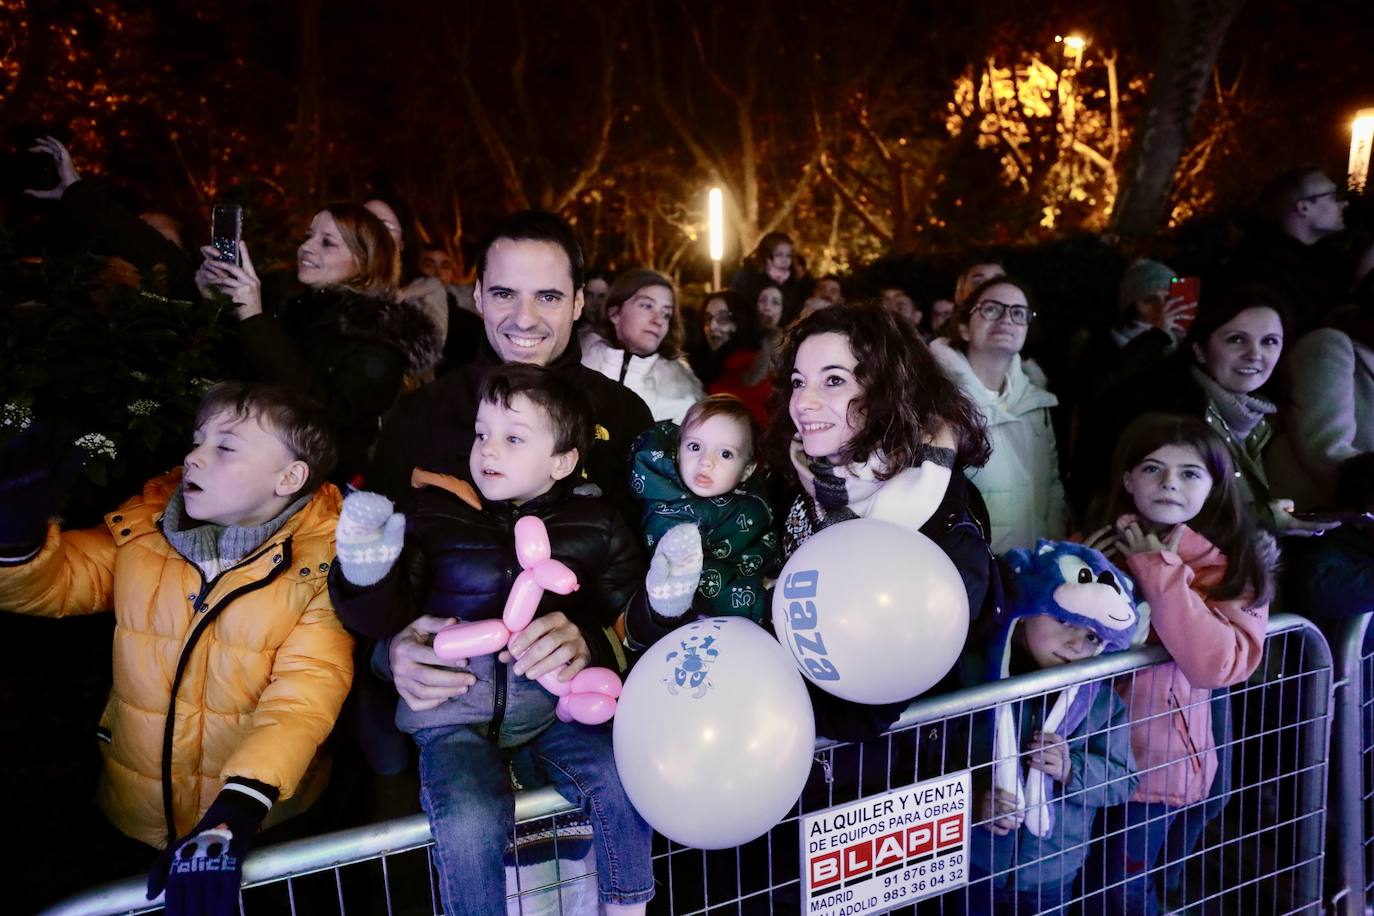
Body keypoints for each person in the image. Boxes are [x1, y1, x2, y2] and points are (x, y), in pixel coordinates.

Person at [0, 383, 353, 913]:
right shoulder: (144, 528)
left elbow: (303, 699)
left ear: (290, 477)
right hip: (133, 808)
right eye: (198, 439)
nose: (194, 455)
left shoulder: (323, 566)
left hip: (256, 823)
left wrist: (239, 807)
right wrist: (14, 539)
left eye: (225, 447)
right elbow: (58, 585)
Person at [327, 365, 653, 916]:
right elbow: (382, 618)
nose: (489, 451)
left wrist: (597, 645)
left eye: (513, 438)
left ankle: (628, 903)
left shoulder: (597, 524)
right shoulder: (433, 513)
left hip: (553, 712)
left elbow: (628, 622)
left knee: (621, 778)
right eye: (482, 434)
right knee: (470, 816)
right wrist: (366, 573)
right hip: (450, 718)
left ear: (564, 461)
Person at [365, 210, 653, 759]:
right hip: (442, 729)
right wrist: (389, 650)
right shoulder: (417, 418)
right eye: (504, 294)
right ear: (476, 296)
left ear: (576, 303)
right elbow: (363, 572)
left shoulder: (624, 415)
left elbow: (647, 580)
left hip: (581, 722)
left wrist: (596, 641)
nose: (524, 318)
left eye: (547, 296)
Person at [764, 304, 997, 738]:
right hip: (796, 764)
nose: (804, 402)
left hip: (892, 773)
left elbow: (880, 689)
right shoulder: (792, 477)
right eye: (798, 382)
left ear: (886, 390)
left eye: (834, 380)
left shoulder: (943, 510)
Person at [1081, 413, 1278, 916]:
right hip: (1083, 762)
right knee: (1077, 886)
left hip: (1156, 772)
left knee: (1121, 893)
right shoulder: (1099, 547)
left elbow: (1216, 664)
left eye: (1190, 473)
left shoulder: (1230, 566)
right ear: (1128, 479)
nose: (1169, 482)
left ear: (1214, 486)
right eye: (1152, 468)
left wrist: (1158, 571)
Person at [194, 203, 444, 485]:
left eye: (327, 243)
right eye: (308, 236)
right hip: (238, 468)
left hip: (313, 490)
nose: (308, 247)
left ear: (365, 261)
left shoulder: (380, 337)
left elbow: (323, 414)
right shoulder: (291, 306)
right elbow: (230, 377)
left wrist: (255, 318)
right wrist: (213, 303)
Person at [961, 542, 1139, 915]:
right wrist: (973, 801)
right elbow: (935, 761)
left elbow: (1125, 780)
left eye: (1092, 637)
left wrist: (1072, 768)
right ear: (1025, 612)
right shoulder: (975, 681)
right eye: (1064, 620)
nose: (1076, 642)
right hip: (973, 861)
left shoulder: (1104, 704)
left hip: (1052, 870)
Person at [1109, 281, 1332, 536]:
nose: (1254, 354)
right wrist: (1265, 519)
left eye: (1269, 341)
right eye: (1236, 339)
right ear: (1200, 350)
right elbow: (1162, 520)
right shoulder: (1171, 418)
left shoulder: (1269, 420)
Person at [624, 394, 781, 638]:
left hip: (770, 573)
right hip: (722, 616)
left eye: (725, 454)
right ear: (678, 449)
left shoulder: (748, 487)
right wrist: (765, 603)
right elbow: (706, 582)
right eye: (695, 447)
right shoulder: (671, 514)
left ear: (747, 470)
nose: (706, 462)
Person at [931, 276, 1069, 552]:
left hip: (1031, 568)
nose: (1007, 318)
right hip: (971, 572)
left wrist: (1054, 549)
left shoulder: (1035, 403)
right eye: (992, 309)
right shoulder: (936, 401)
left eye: (1019, 313)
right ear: (964, 327)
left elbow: (1052, 485)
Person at [22, 135, 198, 300]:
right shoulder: (80, 310)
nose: (142, 249)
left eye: (159, 240)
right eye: (143, 233)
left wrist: (79, 193)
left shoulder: (196, 316)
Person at [1233, 167, 1351, 336]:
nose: (1344, 203)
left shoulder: (1326, 261)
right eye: (1332, 197)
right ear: (1304, 207)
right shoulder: (1264, 270)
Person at [579, 268, 705, 423]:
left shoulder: (682, 398)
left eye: (666, 314)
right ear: (615, 313)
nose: (658, 320)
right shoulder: (576, 373)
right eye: (647, 306)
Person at [730, 231, 806, 318]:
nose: (785, 260)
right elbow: (738, 307)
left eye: (788, 255)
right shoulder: (746, 276)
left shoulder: (792, 280)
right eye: (779, 255)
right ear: (767, 256)